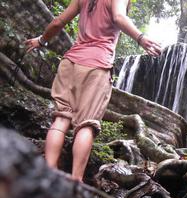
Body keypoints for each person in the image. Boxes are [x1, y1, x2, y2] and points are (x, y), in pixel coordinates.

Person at [25, 0, 161, 182]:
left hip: (70, 64)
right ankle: (76, 182)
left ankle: (48, 173)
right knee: (87, 124)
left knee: (61, 118)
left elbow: (58, 22)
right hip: (96, 66)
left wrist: (41, 40)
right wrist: (141, 38)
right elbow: (119, 17)